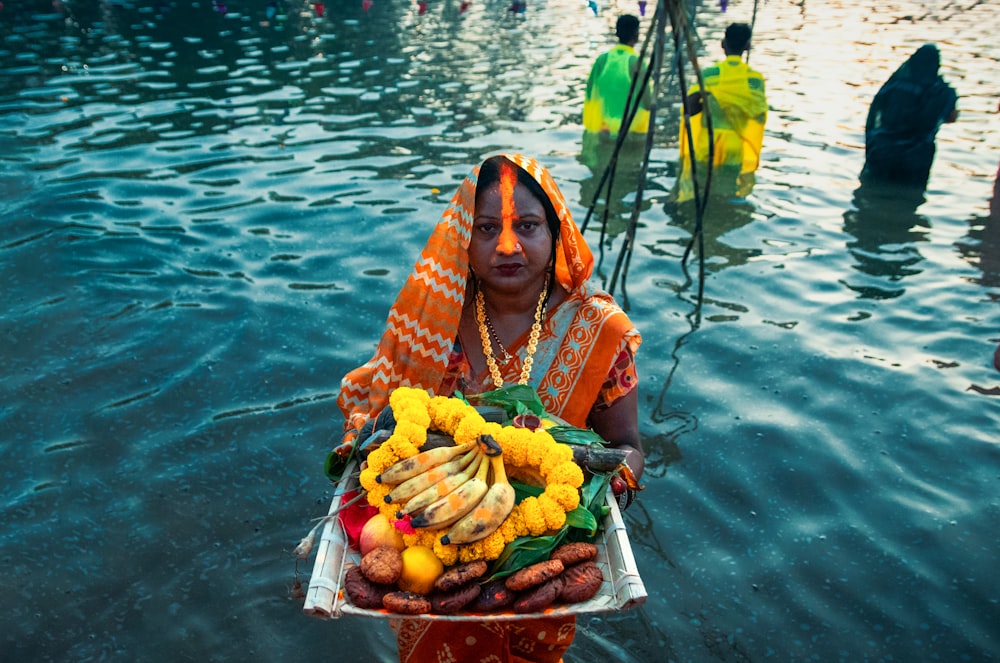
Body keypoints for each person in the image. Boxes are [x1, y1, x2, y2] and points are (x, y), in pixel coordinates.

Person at [335, 153, 644, 662]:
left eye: (527, 226)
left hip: (547, 535)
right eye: (486, 228)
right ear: (463, 238)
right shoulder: (431, 319)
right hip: (432, 544)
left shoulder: (599, 333)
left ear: (555, 233)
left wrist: (603, 490)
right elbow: (378, 424)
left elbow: (627, 447)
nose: (507, 245)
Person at [675, 22, 767, 202]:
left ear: (723, 44)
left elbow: (689, 109)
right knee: (726, 196)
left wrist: (708, 101)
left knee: (700, 193)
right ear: (747, 46)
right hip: (734, 145)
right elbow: (759, 115)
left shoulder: (710, 74)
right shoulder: (755, 80)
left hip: (707, 142)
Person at [861, 43, 959, 189]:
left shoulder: (893, 86)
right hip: (917, 158)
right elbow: (950, 117)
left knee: (873, 192)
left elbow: (876, 114)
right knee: (909, 199)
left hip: (882, 152)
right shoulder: (941, 91)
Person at [583, 14, 654, 137]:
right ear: (636, 35)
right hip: (631, 134)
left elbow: (590, 93)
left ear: (616, 33)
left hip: (603, 131)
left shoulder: (602, 60)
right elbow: (648, 103)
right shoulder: (636, 63)